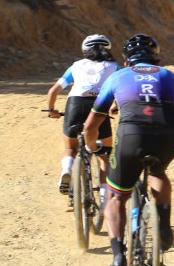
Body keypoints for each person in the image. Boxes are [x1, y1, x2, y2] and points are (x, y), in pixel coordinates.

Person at [83, 33, 174, 266]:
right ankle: (164, 226)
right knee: (159, 173)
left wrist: (91, 146)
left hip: (131, 137)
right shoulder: (169, 76)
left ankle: (119, 256)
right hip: (166, 135)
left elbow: (91, 125)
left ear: (126, 59)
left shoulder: (118, 76)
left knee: (115, 196)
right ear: (156, 56)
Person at [45, 35, 119, 199]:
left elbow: (53, 91)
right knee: (104, 155)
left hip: (75, 104)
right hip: (99, 107)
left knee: (71, 148)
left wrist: (51, 110)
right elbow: (121, 89)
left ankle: (67, 170)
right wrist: (115, 106)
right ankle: (104, 196)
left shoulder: (76, 66)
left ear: (85, 50)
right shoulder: (114, 67)